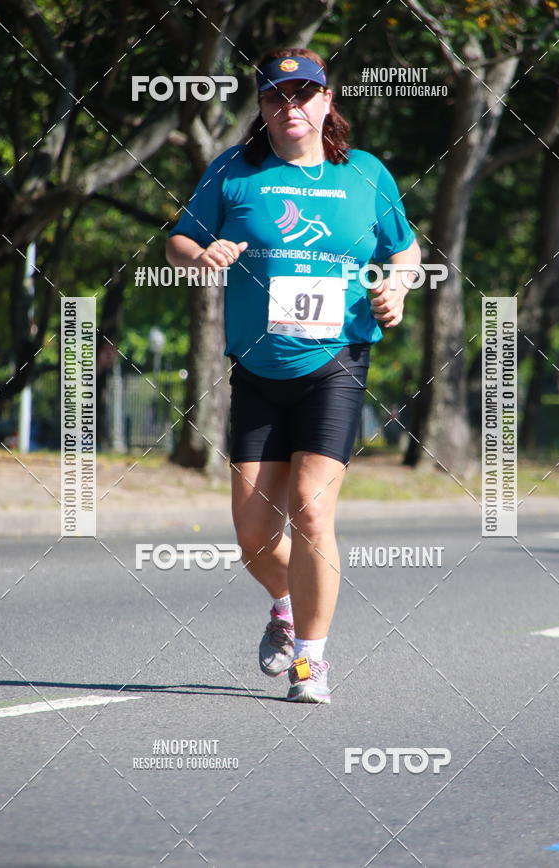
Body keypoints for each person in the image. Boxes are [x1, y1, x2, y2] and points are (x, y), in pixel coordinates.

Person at [166, 47, 421, 704]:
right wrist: (203, 255)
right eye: (279, 96)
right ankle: (284, 605)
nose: (292, 106)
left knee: (311, 508)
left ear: (327, 101)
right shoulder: (235, 171)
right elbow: (179, 239)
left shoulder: (364, 175)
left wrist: (397, 286)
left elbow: (406, 249)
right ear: (262, 106)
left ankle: (313, 659)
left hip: (336, 360)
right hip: (256, 366)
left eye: (305, 94)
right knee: (253, 533)